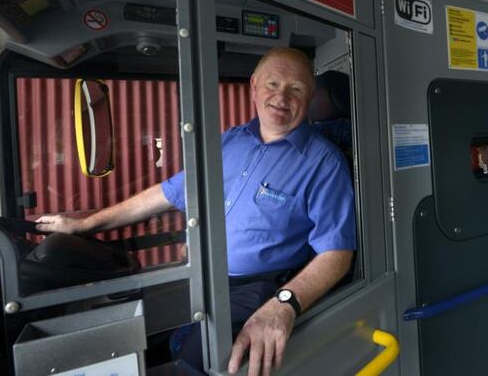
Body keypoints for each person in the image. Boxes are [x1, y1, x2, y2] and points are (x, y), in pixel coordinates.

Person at [36, 47, 357, 376]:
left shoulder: (324, 162)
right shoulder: (231, 141)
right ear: (254, 86)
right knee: (125, 337)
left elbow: (337, 253)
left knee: (191, 365)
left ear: (311, 96)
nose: (281, 97)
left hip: (258, 289)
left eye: (296, 88)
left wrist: (284, 303)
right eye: (273, 84)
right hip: (202, 276)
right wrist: (89, 223)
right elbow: (168, 193)